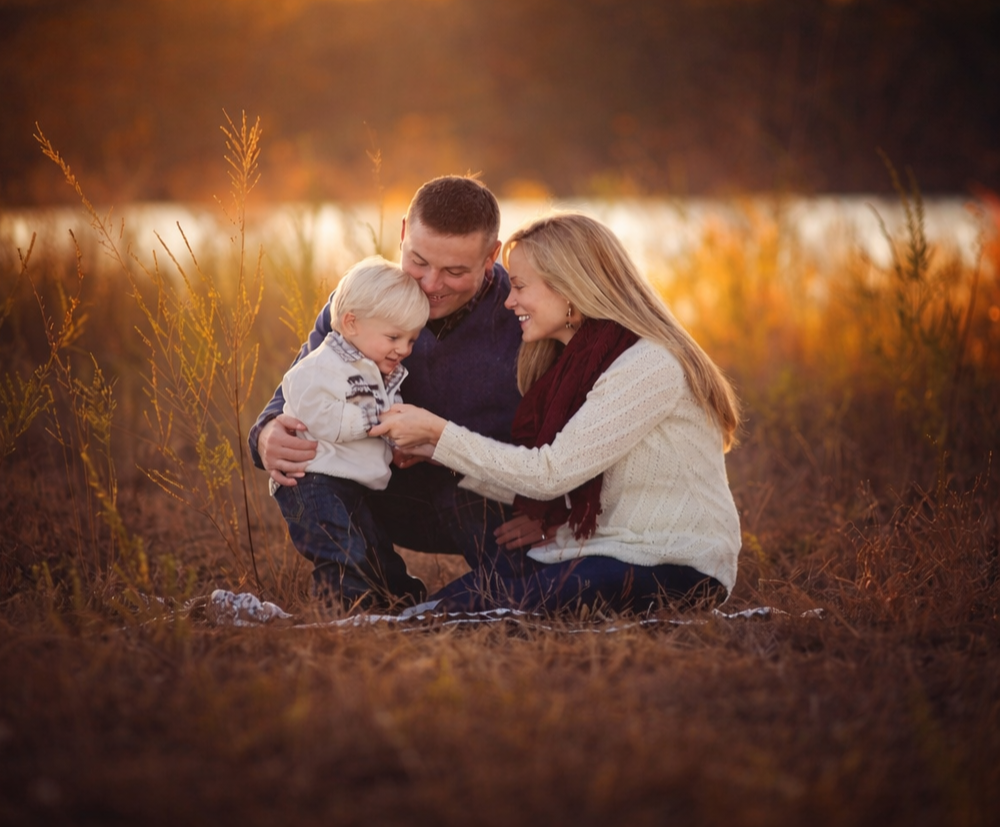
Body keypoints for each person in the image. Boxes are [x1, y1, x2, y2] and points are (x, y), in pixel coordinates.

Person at [371, 211, 743, 614]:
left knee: (458, 615)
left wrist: (439, 434)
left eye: (520, 287)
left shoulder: (648, 364)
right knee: (447, 605)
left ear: (569, 289)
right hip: (595, 551)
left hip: (672, 565)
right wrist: (432, 450)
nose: (510, 301)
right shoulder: (572, 365)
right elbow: (557, 480)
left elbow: (551, 474)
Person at [249, 175, 526, 607]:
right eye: (418, 261)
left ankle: (474, 599)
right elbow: (301, 382)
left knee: (525, 585)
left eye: (454, 271)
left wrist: (550, 511)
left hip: (480, 501)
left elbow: (564, 438)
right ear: (402, 234)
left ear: (492, 255)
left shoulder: (523, 314)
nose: (431, 284)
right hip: (379, 490)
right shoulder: (365, 300)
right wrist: (266, 435)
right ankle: (370, 588)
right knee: (316, 474)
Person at [273, 256, 428, 606]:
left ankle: (399, 594)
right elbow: (318, 414)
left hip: (351, 485)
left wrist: (401, 439)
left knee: (374, 548)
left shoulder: (379, 369)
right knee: (343, 552)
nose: (403, 349)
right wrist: (374, 421)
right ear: (351, 323)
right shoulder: (320, 366)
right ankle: (343, 612)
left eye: (411, 340)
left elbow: (386, 419)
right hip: (313, 482)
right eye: (394, 337)